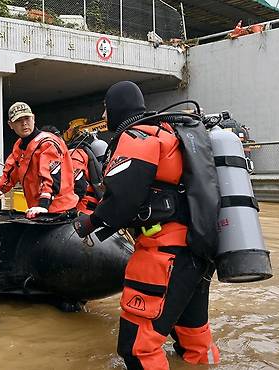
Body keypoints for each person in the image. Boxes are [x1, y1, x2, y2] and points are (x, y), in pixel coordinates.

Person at [72, 81, 219, 369]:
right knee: (194, 337)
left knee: (138, 347)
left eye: (106, 108)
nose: (105, 113)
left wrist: (89, 223)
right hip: (198, 252)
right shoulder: (170, 132)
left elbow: (122, 199)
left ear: (116, 107)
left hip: (163, 254)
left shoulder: (137, 136)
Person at [0, 102, 78, 218]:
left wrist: (43, 205)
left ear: (33, 118)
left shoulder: (47, 143)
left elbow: (51, 176)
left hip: (59, 211)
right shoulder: (19, 146)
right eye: (18, 120)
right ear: (10, 125)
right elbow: (8, 176)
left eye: (27, 118)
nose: (24, 123)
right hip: (38, 211)